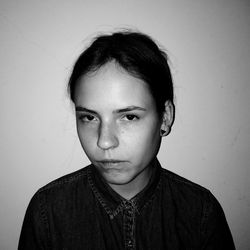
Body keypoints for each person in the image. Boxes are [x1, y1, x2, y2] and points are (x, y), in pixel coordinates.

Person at [18, 30, 235, 249]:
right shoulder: (48, 211)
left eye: (129, 117)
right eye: (89, 117)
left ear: (165, 117)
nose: (104, 142)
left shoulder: (200, 213)